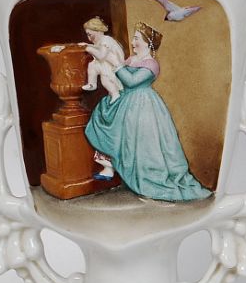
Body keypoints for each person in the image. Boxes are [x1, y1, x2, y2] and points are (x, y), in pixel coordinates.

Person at [85, 22, 212, 202]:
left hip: (145, 106)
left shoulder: (151, 64)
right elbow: (118, 77)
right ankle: (113, 167)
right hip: (127, 104)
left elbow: (131, 81)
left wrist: (116, 64)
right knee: (123, 136)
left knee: (146, 143)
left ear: (147, 42)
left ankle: (151, 177)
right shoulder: (131, 60)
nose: (133, 42)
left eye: (137, 39)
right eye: (134, 38)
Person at [81, 17, 125, 103]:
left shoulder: (106, 40)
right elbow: (97, 48)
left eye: (90, 35)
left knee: (105, 77)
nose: (89, 38)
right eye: (87, 35)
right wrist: (87, 45)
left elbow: (101, 56)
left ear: (98, 30)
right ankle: (92, 84)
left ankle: (115, 93)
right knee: (92, 65)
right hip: (108, 64)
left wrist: (88, 48)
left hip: (115, 67)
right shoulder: (101, 41)